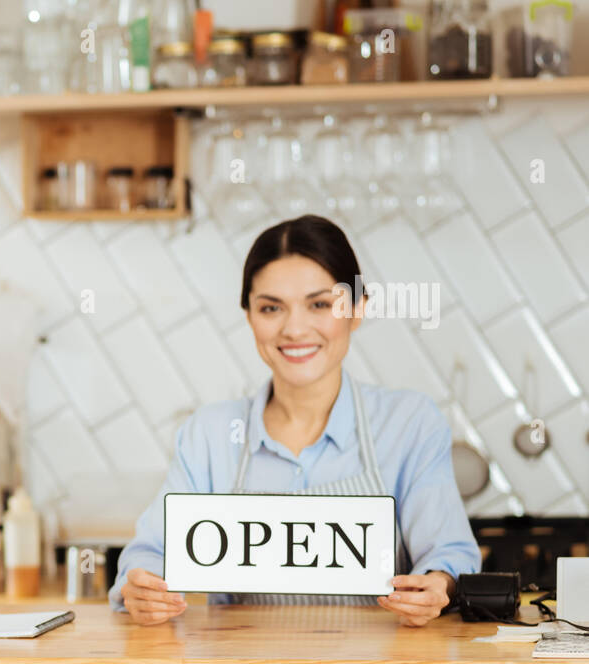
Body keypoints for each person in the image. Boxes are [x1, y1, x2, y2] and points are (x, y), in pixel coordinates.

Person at [112, 214, 480, 626]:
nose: (294, 328)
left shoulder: (409, 423)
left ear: (357, 310)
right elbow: (148, 553)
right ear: (249, 316)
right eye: (271, 308)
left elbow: (450, 555)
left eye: (320, 304)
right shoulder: (210, 435)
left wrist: (439, 585)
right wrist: (141, 587)